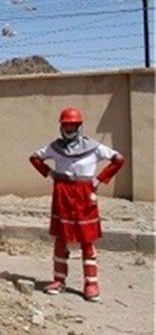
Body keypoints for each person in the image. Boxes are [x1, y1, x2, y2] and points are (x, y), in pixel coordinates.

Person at [30, 107, 126, 302]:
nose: (69, 128)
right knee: (61, 238)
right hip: (62, 194)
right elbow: (35, 158)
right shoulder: (54, 147)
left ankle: (91, 283)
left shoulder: (93, 147)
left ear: (79, 126)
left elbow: (118, 159)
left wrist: (99, 180)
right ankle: (59, 280)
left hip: (84, 195)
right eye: (65, 124)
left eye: (72, 124)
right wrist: (50, 173)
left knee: (87, 239)